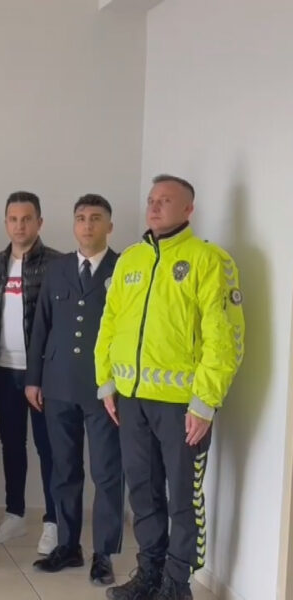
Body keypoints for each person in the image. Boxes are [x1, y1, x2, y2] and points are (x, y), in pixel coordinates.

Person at [98, 175, 244, 600]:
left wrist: (205, 402)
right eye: (151, 199)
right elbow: (110, 324)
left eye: (165, 200)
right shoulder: (131, 260)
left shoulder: (208, 260)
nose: (155, 206)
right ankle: (150, 574)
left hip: (183, 407)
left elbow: (225, 338)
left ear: (188, 209)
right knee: (143, 493)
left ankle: (177, 584)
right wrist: (106, 382)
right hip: (131, 401)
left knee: (182, 497)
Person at [25, 194, 123, 585]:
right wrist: (34, 378)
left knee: (106, 473)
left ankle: (104, 553)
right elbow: (41, 325)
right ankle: (68, 546)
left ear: (109, 226)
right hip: (58, 384)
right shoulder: (58, 268)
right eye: (81, 218)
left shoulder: (124, 268)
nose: (87, 225)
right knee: (64, 469)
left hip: (104, 390)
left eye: (96, 218)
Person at [0, 191, 61, 554]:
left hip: (42, 374)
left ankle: (54, 521)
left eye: (26, 219)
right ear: (5, 223)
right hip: (4, 371)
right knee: (12, 445)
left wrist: (45, 371)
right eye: (13, 219)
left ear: (39, 222)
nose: (19, 226)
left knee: (49, 448)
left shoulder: (58, 265)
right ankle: (15, 514)